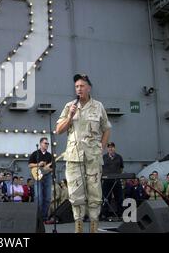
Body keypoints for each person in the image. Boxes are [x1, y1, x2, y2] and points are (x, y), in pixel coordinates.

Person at [55, 74, 111, 233]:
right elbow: (58, 130)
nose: (79, 89)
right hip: (74, 157)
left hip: (93, 157)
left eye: (82, 86)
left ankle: (93, 228)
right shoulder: (69, 106)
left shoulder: (98, 106)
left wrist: (102, 147)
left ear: (89, 88)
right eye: (77, 86)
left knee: (95, 194)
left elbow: (106, 128)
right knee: (75, 195)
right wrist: (70, 116)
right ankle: (78, 228)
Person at [28, 137, 53, 223]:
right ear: (41, 143)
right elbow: (29, 165)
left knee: (48, 198)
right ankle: (37, 217)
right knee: (38, 197)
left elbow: (52, 168)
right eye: (45, 143)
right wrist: (38, 164)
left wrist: (47, 169)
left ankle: (44, 217)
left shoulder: (50, 155)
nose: (47, 145)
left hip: (47, 177)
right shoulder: (35, 153)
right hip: (38, 176)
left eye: (47, 143)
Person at [101, 142, 124, 220]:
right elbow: (100, 168)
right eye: (109, 147)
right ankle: (105, 214)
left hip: (116, 180)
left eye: (112, 147)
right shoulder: (103, 157)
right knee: (106, 198)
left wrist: (117, 175)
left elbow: (121, 168)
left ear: (115, 148)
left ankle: (120, 214)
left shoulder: (119, 157)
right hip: (106, 181)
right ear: (107, 149)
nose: (111, 148)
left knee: (119, 198)